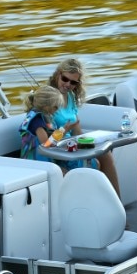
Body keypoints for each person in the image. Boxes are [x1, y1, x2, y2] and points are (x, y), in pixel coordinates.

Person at [48, 58, 121, 197]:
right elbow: (48, 141)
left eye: (73, 82)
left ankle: (118, 207)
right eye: (65, 79)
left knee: (105, 154)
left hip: (71, 145)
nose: (68, 84)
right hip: (57, 148)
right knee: (93, 164)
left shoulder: (70, 97)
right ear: (58, 74)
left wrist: (90, 144)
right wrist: (65, 133)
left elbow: (77, 131)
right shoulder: (48, 99)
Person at [18, 85, 65, 162]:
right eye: (56, 107)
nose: (57, 109)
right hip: (36, 163)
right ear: (46, 106)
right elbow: (46, 145)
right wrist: (62, 131)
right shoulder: (37, 123)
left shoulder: (39, 116)